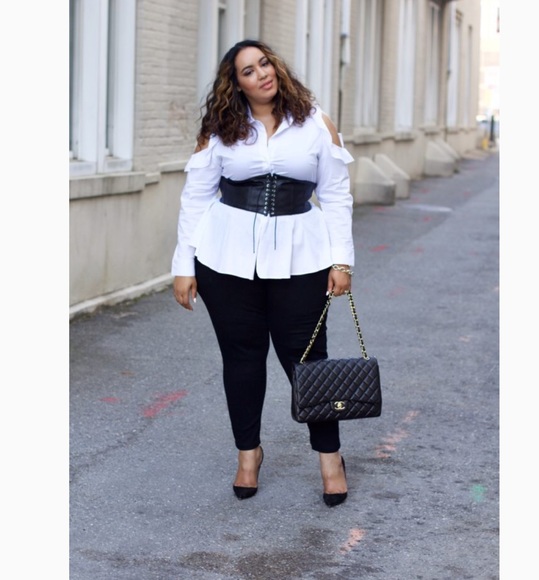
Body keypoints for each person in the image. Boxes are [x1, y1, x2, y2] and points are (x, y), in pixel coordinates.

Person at [172, 39, 355, 507]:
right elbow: (196, 197)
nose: (262, 74)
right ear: (236, 84)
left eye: (265, 63)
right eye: (249, 71)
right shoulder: (220, 129)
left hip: (302, 257)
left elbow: (336, 194)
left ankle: (330, 458)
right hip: (226, 258)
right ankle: (248, 454)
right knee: (242, 358)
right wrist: (183, 264)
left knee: (308, 359)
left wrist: (342, 260)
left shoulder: (315, 122)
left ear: (276, 67)